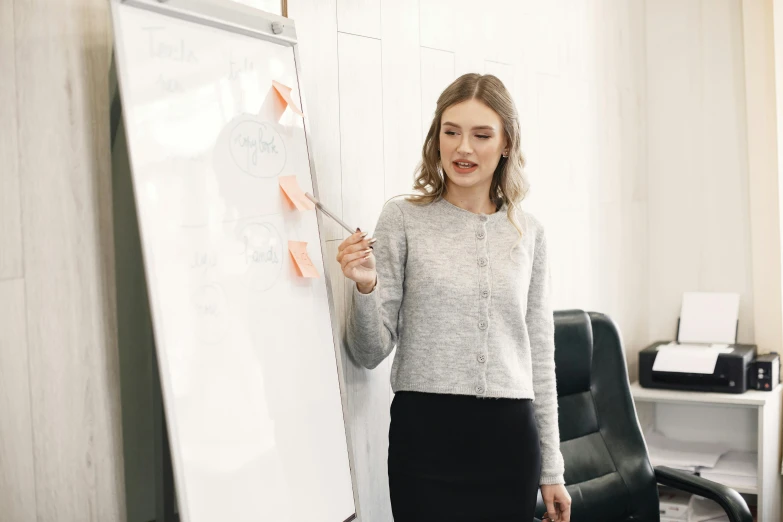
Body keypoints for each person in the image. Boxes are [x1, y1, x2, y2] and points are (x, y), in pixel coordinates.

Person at [336, 73, 571, 522]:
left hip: (509, 444)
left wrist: (553, 469)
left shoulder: (530, 233)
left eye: (481, 135)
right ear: (436, 138)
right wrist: (366, 287)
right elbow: (368, 352)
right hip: (425, 439)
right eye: (451, 132)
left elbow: (540, 357)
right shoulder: (402, 218)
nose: (463, 148)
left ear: (506, 144)